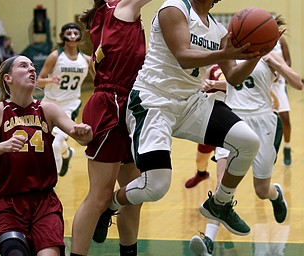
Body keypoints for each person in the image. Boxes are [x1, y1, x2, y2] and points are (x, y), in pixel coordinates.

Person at [97, 0, 282, 246]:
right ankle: (111, 204)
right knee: (156, 187)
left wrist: (254, 56)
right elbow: (183, 56)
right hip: (154, 101)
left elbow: (234, 77)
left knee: (248, 141)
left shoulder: (217, 29)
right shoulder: (174, 8)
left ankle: (220, 203)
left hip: (191, 103)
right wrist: (225, 53)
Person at [189, 49, 303, 256]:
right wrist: (213, 85)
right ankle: (208, 241)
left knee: (261, 190)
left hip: (263, 121)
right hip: (232, 120)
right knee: (221, 185)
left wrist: (274, 64)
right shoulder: (229, 53)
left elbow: (298, 83)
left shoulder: (269, 55)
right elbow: (236, 85)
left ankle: (275, 194)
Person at [0, 55, 93, 256]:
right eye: (24, 66)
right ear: (8, 78)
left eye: (33, 66)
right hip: (8, 203)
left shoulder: (47, 109)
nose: (32, 70)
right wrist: (2, 146)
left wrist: (85, 132)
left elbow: (81, 136)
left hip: (44, 203)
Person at [70, 1, 150, 256]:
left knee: (134, 197)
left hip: (130, 105)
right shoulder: (120, 9)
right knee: (99, 197)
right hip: (111, 106)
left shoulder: (113, 13)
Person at [37, 22, 91, 176]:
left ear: (80, 36)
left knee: (56, 144)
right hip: (49, 104)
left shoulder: (86, 60)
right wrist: (50, 80)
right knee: (47, 143)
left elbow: (99, 81)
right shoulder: (55, 56)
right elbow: (38, 81)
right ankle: (67, 154)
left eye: (76, 33)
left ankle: (52, 183)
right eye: (69, 33)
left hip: (70, 106)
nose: (72, 36)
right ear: (63, 36)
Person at [185, 64, 226, 188]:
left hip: (228, 119)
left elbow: (236, 85)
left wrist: (214, 85)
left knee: (223, 160)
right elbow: (202, 87)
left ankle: (221, 198)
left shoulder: (237, 67)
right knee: (200, 160)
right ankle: (201, 174)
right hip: (211, 118)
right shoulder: (212, 68)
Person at [271, 16, 293, 166]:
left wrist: (282, 70)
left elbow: (288, 61)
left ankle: (287, 147)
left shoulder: (281, 41)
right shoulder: (259, 40)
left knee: (284, 117)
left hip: (278, 84)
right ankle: (267, 151)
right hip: (265, 84)